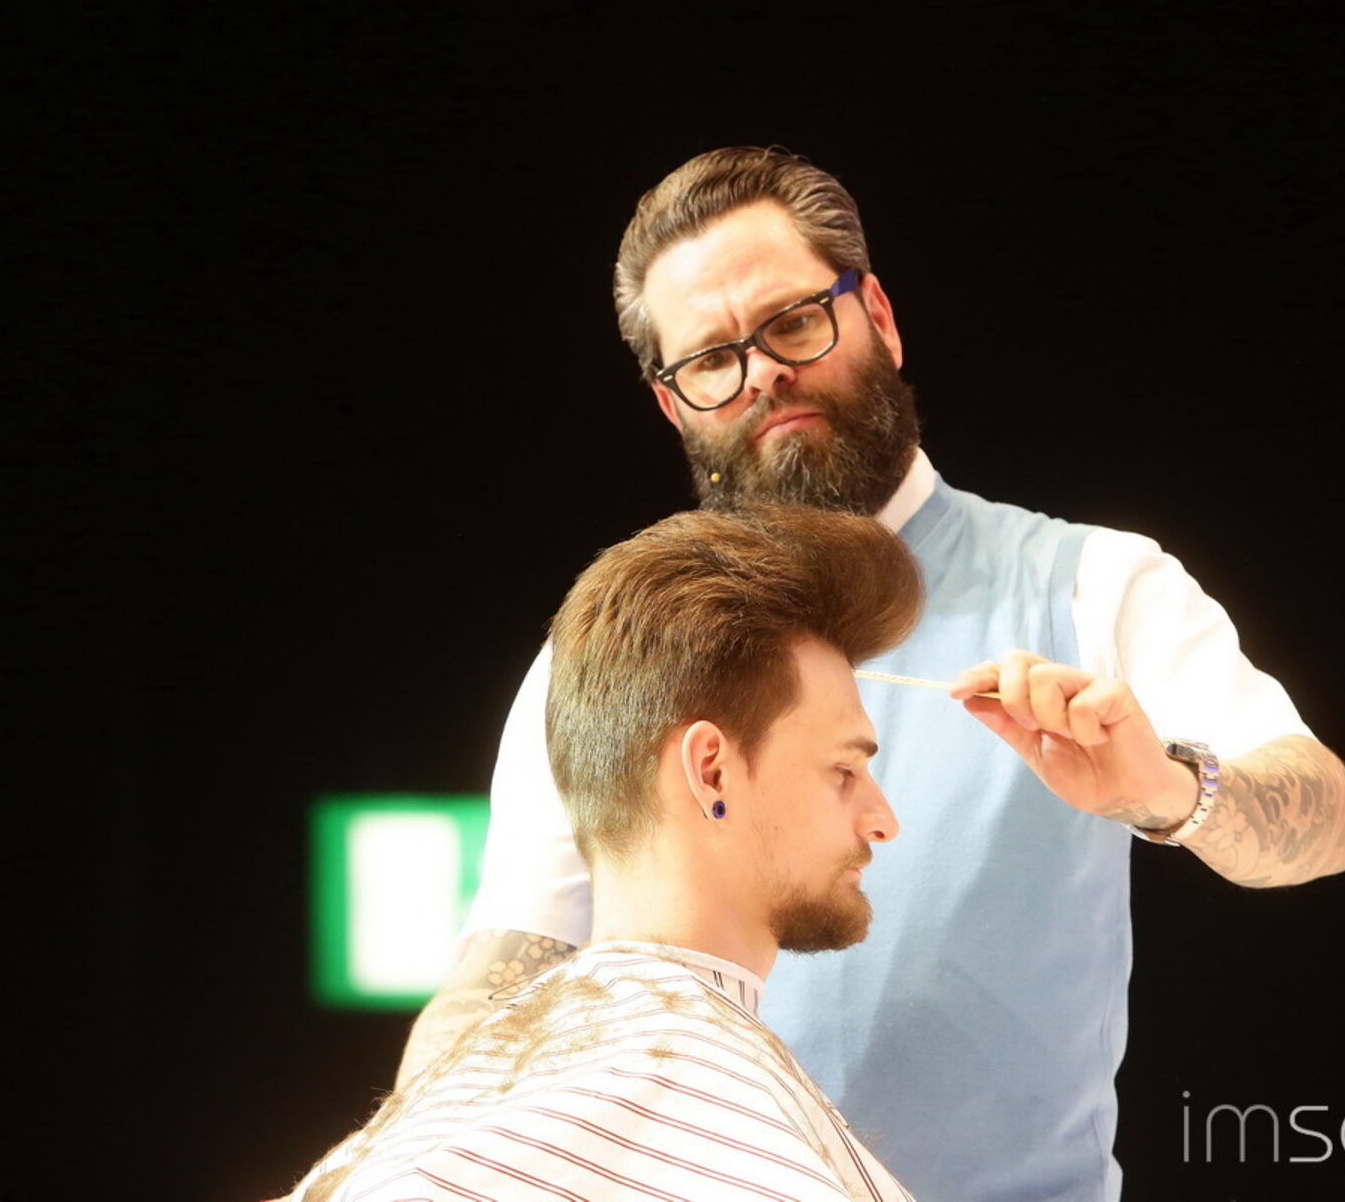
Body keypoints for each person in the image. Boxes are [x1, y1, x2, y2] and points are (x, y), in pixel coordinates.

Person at [398, 147, 1345, 1200]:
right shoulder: (605, 658)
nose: (762, 373)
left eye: (791, 323)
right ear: (673, 405)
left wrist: (1166, 789)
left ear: (879, 318)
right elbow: (503, 978)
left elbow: (1332, 821)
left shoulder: (1094, 582)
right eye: (712, 358)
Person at [289, 507, 924, 1201]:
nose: (882, 820)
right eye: (843, 770)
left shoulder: (435, 1126)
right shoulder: (691, 1117)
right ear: (711, 771)